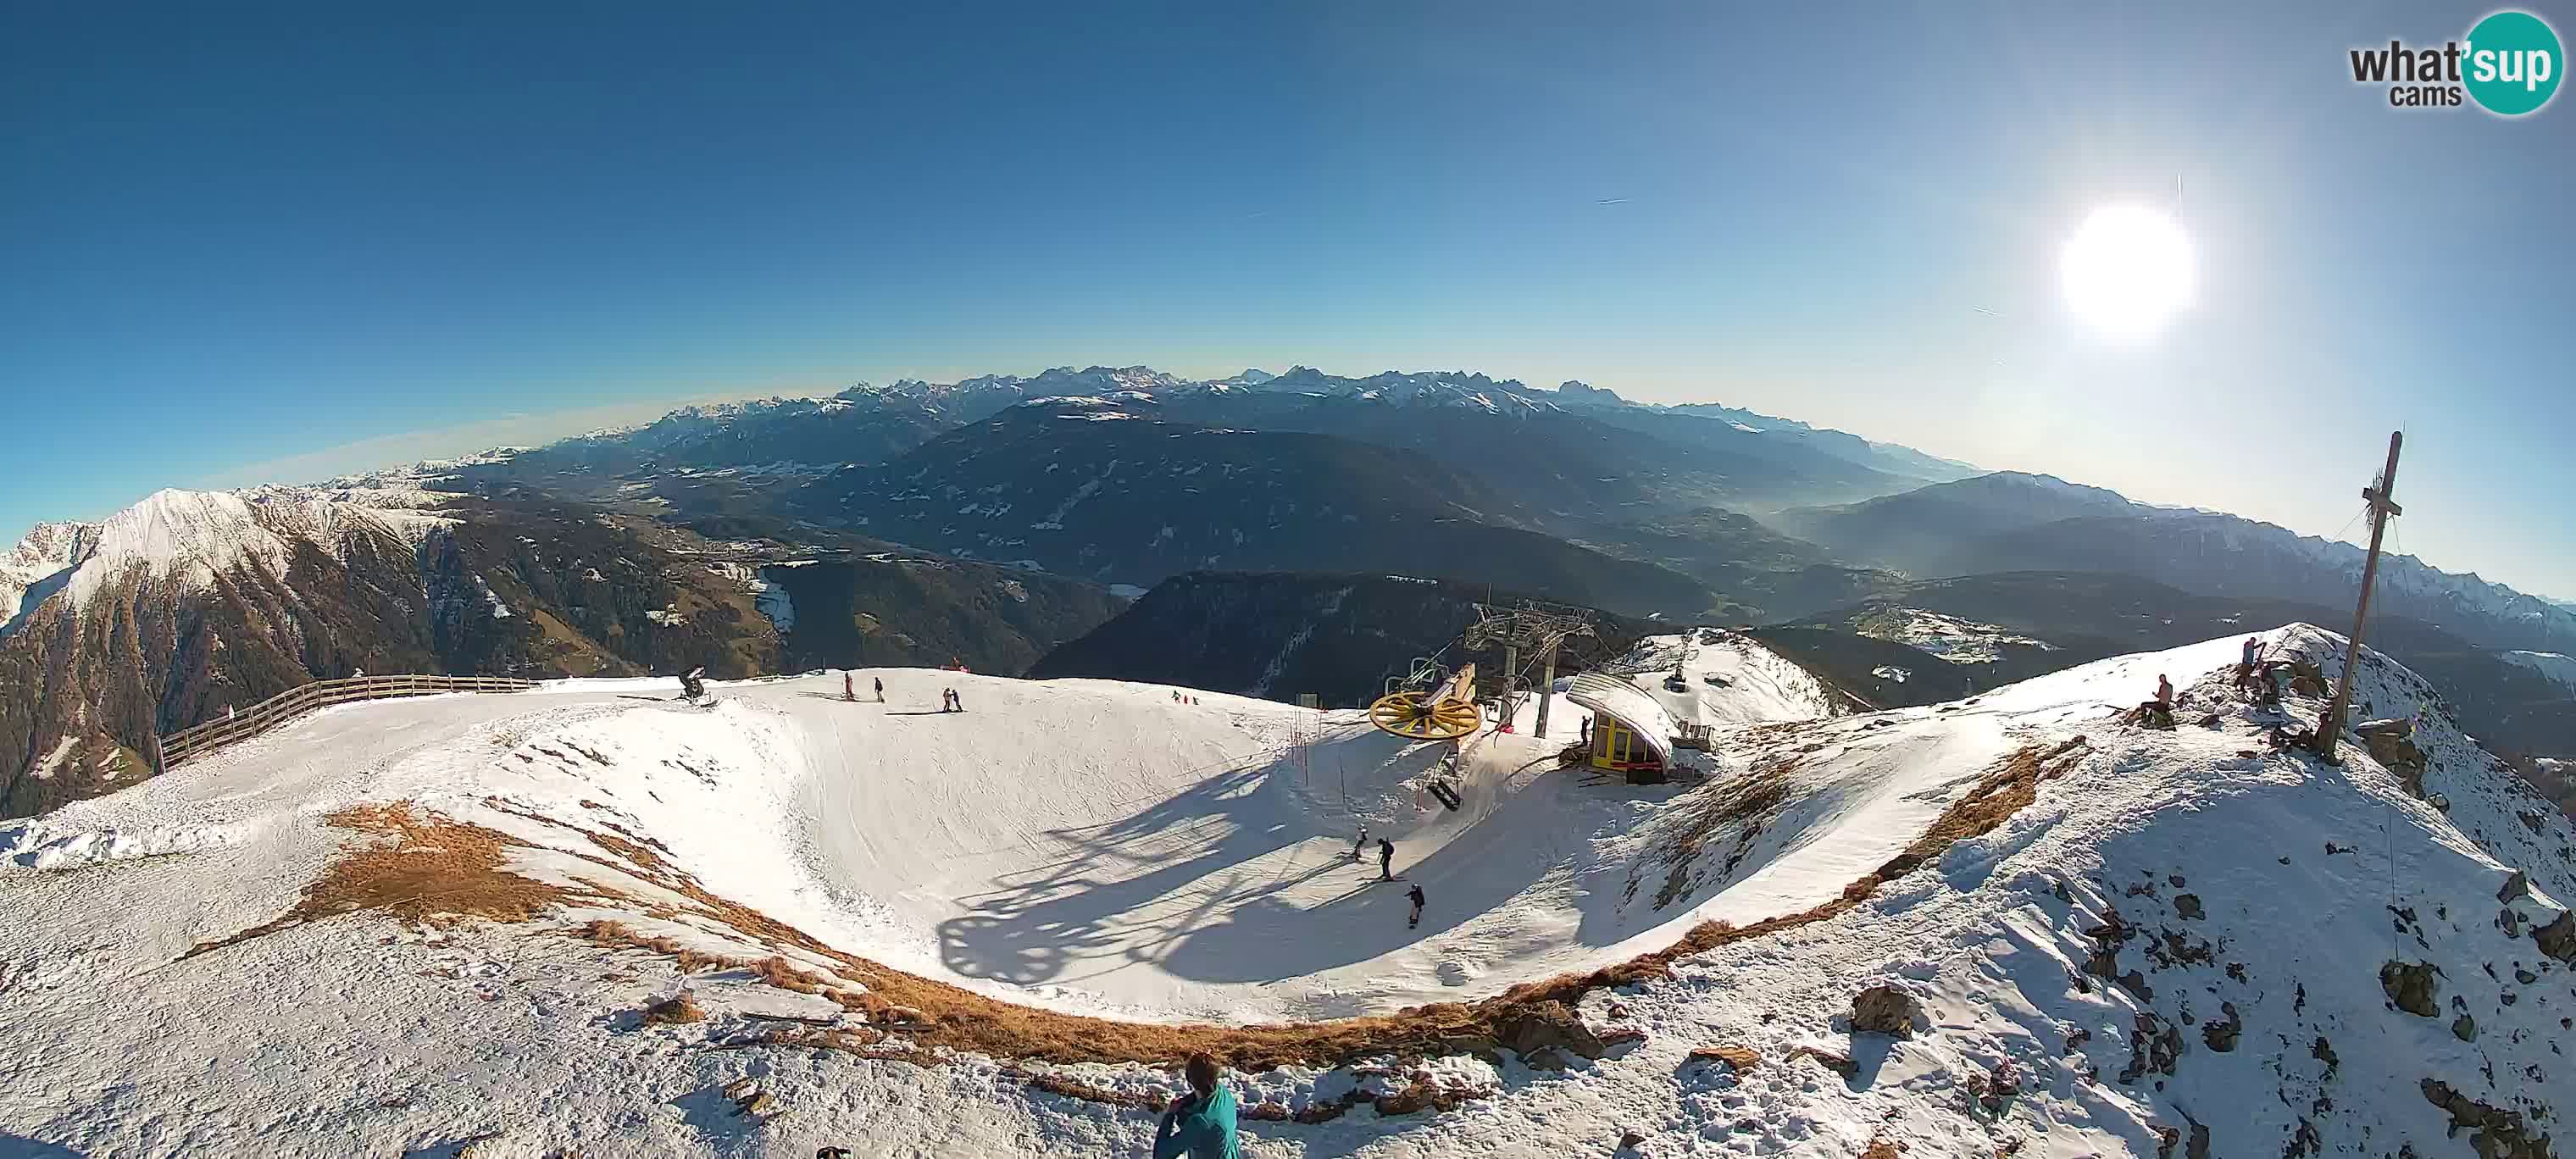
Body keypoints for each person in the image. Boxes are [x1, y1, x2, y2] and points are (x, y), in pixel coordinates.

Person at [1153, 1052, 1239, 1159]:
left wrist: (1169, 1115)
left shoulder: (1200, 1123)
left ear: (1189, 1079)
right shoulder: (1223, 1093)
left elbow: (1160, 1155)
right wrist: (1184, 1103)